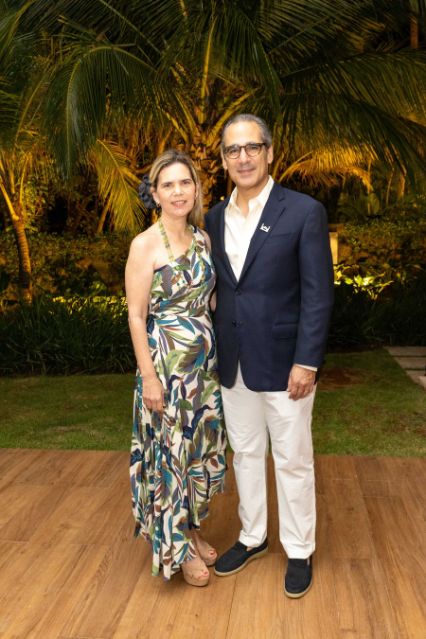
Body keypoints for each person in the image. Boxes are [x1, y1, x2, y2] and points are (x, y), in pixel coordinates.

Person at [205, 114, 334, 598]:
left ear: (270, 152)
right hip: (233, 361)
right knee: (245, 453)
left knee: (293, 458)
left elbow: (318, 295)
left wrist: (307, 361)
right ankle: (253, 535)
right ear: (223, 159)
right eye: (233, 150)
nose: (243, 158)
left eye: (252, 147)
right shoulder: (213, 218)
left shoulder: (303, 211)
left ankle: (299, 548)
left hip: (286, 364)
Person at [125, 150, 226, 587]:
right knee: (171, 456)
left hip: (203, 372)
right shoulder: (145, 245)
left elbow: (211, 301)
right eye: (168, 184)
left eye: (185, 182)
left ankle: (193, 529)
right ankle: (178, 547)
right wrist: (149, 378)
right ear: (155, 193)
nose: (178, 191)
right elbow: (136, 316)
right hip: (165, 372)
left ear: (196, 189)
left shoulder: (203, 239)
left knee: (197, 451)